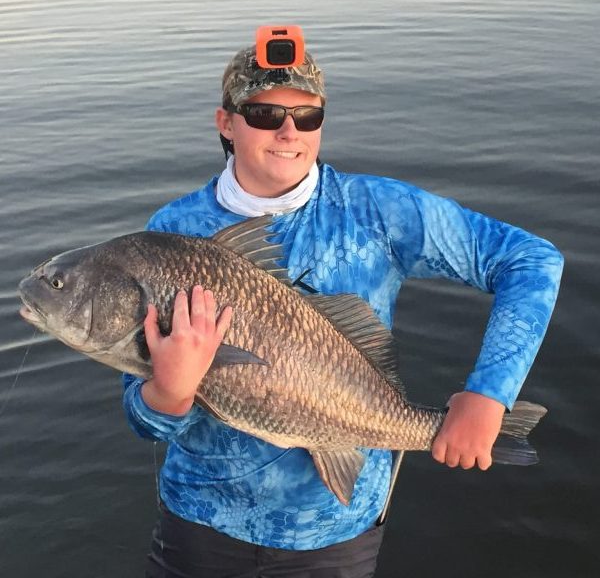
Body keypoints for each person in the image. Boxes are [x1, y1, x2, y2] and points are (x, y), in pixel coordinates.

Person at [122, 36, 563, 578]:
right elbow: (145, 422)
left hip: (334, 538)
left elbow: (531, 260)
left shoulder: (378, 211)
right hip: (196, 527)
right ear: (226, 122)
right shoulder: (172, 232)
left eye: (308, 116)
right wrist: (169, 391)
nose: (288, 132)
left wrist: (489, 395)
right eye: (265, 113)